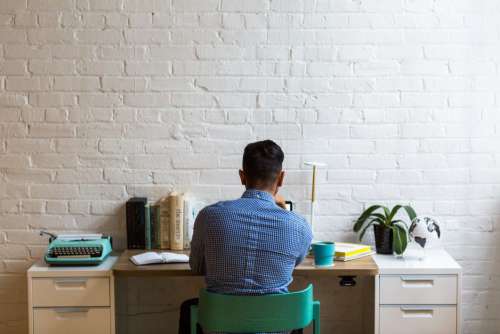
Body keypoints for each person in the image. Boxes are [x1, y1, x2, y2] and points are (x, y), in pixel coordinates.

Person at [179, 140, 313, 334]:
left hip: (220, 323)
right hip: (276, 324)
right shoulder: (299, 226)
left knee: (189, 307)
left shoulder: (209, 216)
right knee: (293, 309)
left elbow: (196, 266)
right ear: (282, 178)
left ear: (242, 176)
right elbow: (294, 264)